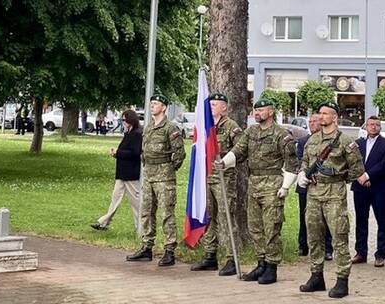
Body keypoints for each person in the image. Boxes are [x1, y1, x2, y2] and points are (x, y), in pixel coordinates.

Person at [219, 96, 298, 285]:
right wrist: (224, 162)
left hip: (272, 184)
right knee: (255, 227)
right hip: (253, 183)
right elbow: (239, 151)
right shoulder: (251, 132)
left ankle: (271, 267)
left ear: (270, 112)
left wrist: (285, 186)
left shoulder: (281, 134)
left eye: (261, 110)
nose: (257, 113)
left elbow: (292, 163)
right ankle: (261, 262)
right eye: (255, 110)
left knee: (271, 227)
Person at [298, 101, 365, 298]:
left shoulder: (346, 141)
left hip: (334, 194)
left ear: (335, 117)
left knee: (339, 238)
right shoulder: (312, 140)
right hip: (313, 193)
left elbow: (357, 170)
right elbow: (305, 161)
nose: (321, 117)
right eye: (319, 113)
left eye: (325, 114)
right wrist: (303, 173)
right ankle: (316, 276)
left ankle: (342, 280)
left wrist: (338, 175)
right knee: (314, 237)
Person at [127, 94, 185, 266]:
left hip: (164, 177)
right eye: (151, 103)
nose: (152, 106)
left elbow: (179, 153)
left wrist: (168, 168)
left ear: (164, 107)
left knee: (167, 214)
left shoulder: (170, 128)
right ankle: (147, 247)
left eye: (156, 104)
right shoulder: (149, 127)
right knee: (146, 212)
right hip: (149, 175)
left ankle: (169, 250)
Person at [191, 92, 243, 276]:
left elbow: (240, 151)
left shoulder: (231, 127)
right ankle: (210, 255)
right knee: (209, 216)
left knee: (226, 216)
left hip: (224, 178)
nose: (211, 106)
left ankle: (231, 258)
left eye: (215, 104)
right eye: (210, 103)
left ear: (224, 108)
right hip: (206, 176)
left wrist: (226, 162)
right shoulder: (205, 125)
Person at [351, 115, 385, 267]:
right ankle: (360, 252)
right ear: (366, 126)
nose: (373, 127)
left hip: (379, 188)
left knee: (382, 221)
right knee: (360, 220)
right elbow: (353, 162)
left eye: (376, 124)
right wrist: (360, 177)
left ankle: (381, 254)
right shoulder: (357, 144)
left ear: (380, 127)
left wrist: (368, 175)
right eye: (371, 124)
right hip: (360, 187)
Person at [92, 109, 143, 232]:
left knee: (136, 203)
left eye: (125, 120)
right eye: (122, 120)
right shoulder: (129, 133)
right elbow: (126, 151)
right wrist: (117, 154)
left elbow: (135, 153)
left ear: (131, 120)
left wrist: (118, 152)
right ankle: (104, 223)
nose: (123, 122)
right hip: (122, 174)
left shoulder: (137, 134)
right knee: (115, 198)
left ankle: (141, 227)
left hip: (131, 174)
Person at [297, 112, 333, 259]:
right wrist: (303, 174)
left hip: (324, 185)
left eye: (315, 121)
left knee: (326, 218)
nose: (312, 124)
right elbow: (300, 160)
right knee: (304, 216)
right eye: (310, 121)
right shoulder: (303, 141)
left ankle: (327, 248)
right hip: (305, 184)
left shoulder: (328, 142)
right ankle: (303, 245)